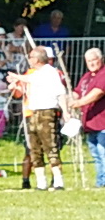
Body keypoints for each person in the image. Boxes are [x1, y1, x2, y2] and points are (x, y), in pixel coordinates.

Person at [9, 47, 69, 190]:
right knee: (34, 148)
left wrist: (65, 111)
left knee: (50, 146)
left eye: (31, 57)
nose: (29, 59)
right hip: (34, 112)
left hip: (47, 113)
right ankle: (41, 182)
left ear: (36, 59)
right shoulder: (36, 73)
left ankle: (58, 181)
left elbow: (60, 92)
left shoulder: (50, 72)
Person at [72, 48, 105, 188]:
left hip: (102, 122)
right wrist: (69, 99)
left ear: (101, 59)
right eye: (88, 61)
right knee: (96, 155)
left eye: (94, 60)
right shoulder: (86, 77)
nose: (91, 63)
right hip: (90, 122)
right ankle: (101, 182)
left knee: (103, 153)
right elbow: (77, 92)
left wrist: (79, 103)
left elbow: (98, 92)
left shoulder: (103, 74)